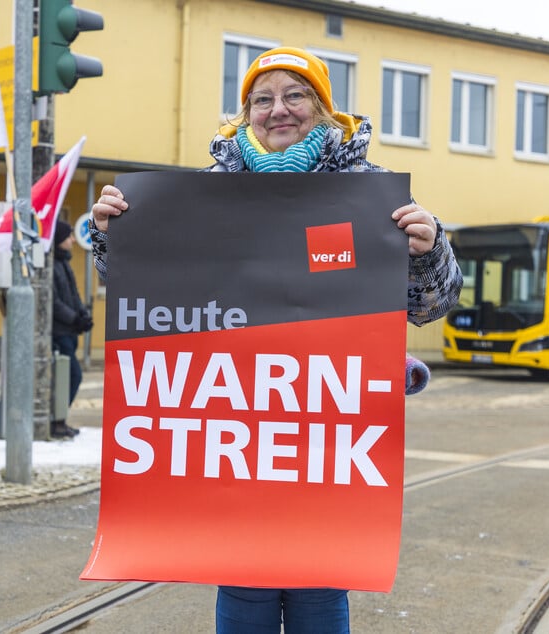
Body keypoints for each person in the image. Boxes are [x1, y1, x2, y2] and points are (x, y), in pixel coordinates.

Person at [90, 46, 463, 633]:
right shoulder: (208, 191)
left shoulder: (369, 193)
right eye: (262, 99)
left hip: (325, 427)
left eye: (296, 95)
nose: (278, 109)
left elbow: (433, 305)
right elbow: (149, 295)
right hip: (240, 424)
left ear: (322, 109)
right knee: (243, 577)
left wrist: (428, 250)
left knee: (320, 582)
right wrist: (118, 237)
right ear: (246, 115)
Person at [51, 220, 93, 440]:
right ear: (60, 239)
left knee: (69, 377)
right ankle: (56, 421)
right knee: (71, 376)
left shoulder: (64, 263)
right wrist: (73, 318)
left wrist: (82, 314)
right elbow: (54, 301)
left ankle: (60, 420)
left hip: (68, 331)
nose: (73, 239)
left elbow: (73, 294)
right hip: (59, 333)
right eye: (69, 236)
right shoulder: (51, 265)